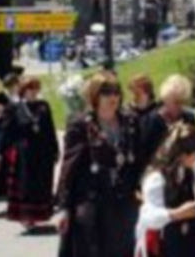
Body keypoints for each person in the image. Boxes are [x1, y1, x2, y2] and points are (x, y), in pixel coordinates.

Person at [56, 72, 144, 257]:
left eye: (116, 92)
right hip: (93, 202)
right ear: (95, 95)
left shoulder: (130, 121)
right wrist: (64, 208)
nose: (113, 97)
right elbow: (69, 167)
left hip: (123, 203)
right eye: (106, 93)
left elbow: (137, 162)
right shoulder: (81, 125)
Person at [135, 122, 195, 257]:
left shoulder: (187, 173)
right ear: (182, 155)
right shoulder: (156, 178)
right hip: (163, 245)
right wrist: (177, 213)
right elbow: (148, 217)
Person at [0, 77, 59, 229]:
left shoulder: (43, 106)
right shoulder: (14, 107)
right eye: (30, 89)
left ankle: (40, 215)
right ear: (23, 90)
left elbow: (50, 129)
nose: (34, 92)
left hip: (43, 151)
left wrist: (55, 149)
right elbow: (6, 131)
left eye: (36, 88)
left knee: (41, 184)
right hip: (24, 152)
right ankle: (25, 216)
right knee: (26, 186)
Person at [139, 75, 195, 170]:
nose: (181, 106)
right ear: (166, 99)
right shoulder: (152, 121)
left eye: (184, 101)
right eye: (177, 102)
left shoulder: (189, 118)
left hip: (184, 174)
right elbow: (144, 155)